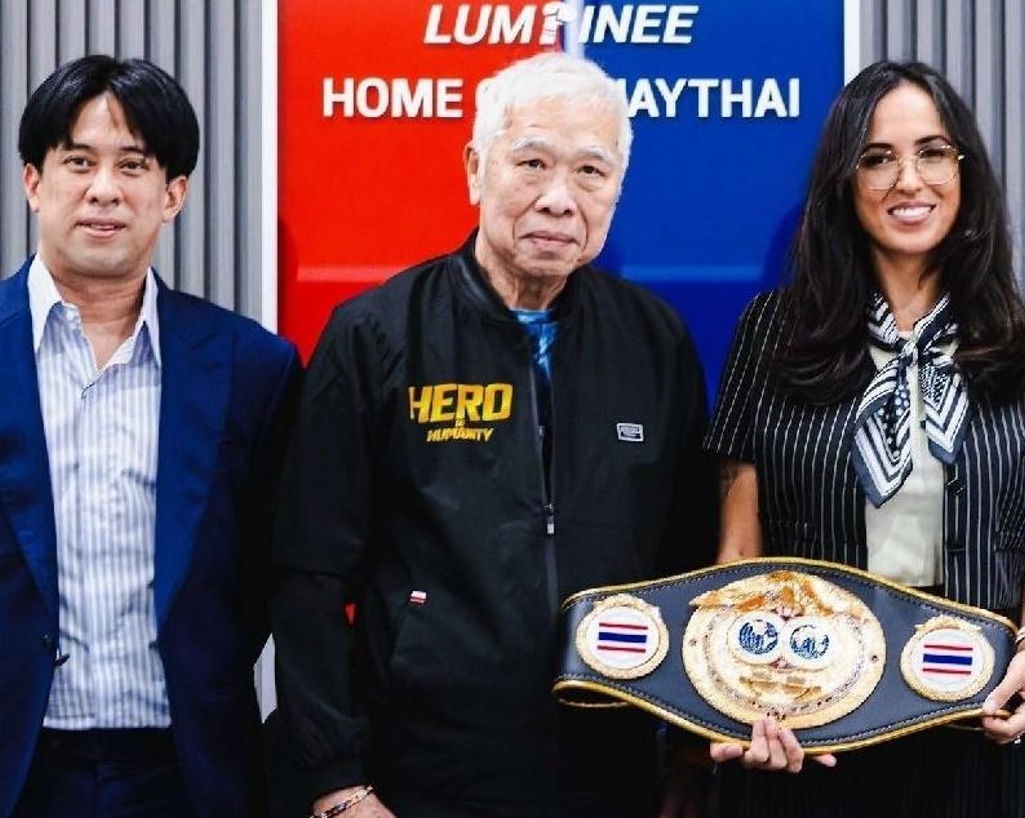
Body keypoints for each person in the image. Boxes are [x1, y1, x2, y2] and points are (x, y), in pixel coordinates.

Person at [271, 51, 716, 818]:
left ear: (617, 191)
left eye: (589, 172)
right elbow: (306, 574)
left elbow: (687, 567)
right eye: (532, 162)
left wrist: (685, 757)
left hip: (609, 780)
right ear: (477, 169)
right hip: (416, 780)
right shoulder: (376, 336)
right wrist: (336, 781)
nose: (557, 199)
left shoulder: (656, 342)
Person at [0, 55, 301, 816]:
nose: (104, 188)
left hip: (186, 768)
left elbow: (268, 569)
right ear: (34, 181)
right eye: (79, 160)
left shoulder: (252, 367)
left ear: (174, 194)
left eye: (133, 164)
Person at [701, 60, 1025, 817]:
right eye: (877, 158)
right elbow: (738, 555)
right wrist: (740, 691)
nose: (908, 179)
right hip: (809, 731)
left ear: (964, 171)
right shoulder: (773, 334)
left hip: (980, 727)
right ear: (844, 183)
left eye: (932, 152)